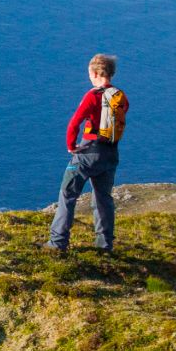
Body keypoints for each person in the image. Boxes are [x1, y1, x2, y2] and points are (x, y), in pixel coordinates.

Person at [50, 53, 128, 254]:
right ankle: (105, 244)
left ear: (94, 73)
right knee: (103, 198)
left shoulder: (92, 96)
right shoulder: (120, 96)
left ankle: (58, 242)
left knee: (68, 193)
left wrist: (71, 146)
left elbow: (75, 122)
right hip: (110, 154)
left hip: (88, 152)